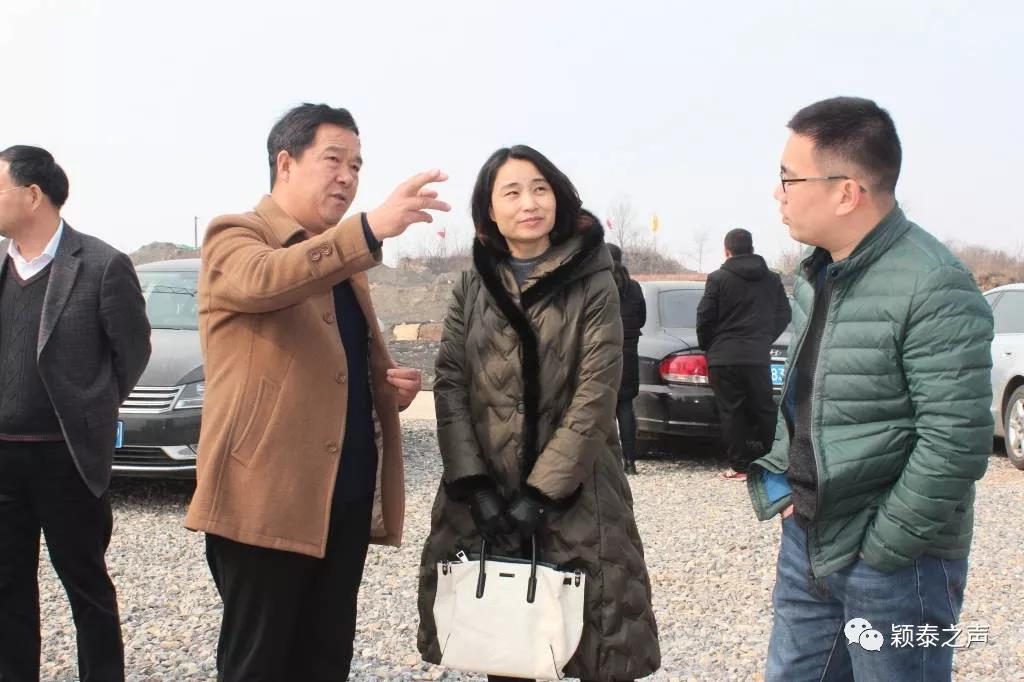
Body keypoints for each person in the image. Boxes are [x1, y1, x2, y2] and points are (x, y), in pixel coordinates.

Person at [183, 103, 448, 679]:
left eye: (356, 165)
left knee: (326, 660)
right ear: (285, 163)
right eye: (334, 160)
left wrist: (383, 387)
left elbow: (327, 364)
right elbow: (266, 280)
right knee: (259, 664)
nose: (348, 177)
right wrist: (371, 228)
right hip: (266, 498)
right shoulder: (236, 235)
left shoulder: (342, 259)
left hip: (341, 496)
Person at [747, 97, 993, 681]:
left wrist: (885, 545)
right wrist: (787, 489)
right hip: (808, 539)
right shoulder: (819, 271)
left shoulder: (934, 283)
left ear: (846, 193)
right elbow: (806, 398)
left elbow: (956, 441)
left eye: (789, 178)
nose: (778, 193)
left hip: (896, 563)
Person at [416, 145, 660, 682]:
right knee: (505, 643)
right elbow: (451, 382)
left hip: (578, 491)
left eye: (540, 188)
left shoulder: (594, 279)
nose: (529, 203)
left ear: (558, 198)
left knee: (596, 643)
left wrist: (543, 493)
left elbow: (596, 392)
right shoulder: (472, 284)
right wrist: (473, 484)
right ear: (489, 210)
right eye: (512, 192)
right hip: (489, 491)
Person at [0, 145, 151, 681]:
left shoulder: (102, 265)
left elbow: (132, 352)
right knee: (7, 587)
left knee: (86, 587)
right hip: (3, 460)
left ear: (32, 195)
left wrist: (92, 406)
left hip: (67, 459)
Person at [696, 228, 790, 481]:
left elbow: (705, 315)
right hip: (757, 355)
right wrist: (764, 338)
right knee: (765, 409)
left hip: (724, 357)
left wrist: (709, 345)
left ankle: (739, 467)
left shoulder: (717, 278)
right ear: (752, 248)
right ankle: (776, 463)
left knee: (731, 411)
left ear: (727, 251)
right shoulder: (772, 279)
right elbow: (785, 313)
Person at [607, 242, 646, 475]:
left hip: (602, 352)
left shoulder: (596, 283)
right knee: (625, 406)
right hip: (628, 351)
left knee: (602, 407)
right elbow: (641, 319)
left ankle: (607, 462)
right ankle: (630, 462)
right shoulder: (634, 287)